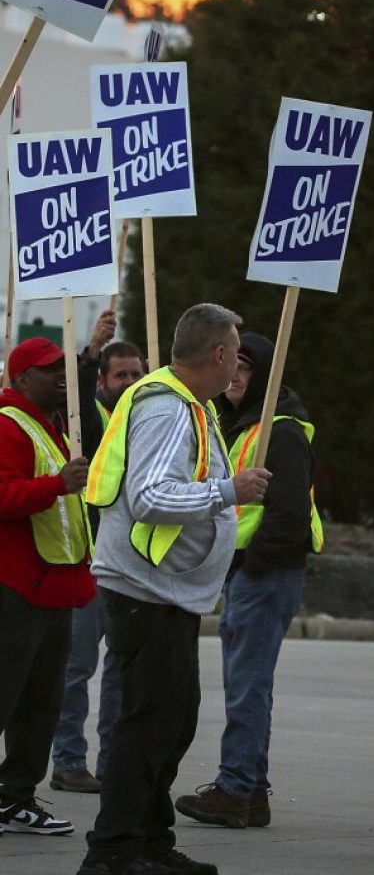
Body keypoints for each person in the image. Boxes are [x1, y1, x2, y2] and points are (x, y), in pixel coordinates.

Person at [76, 304, 271, 875]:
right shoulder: (166, 407)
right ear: (217, 354)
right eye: (234, 352)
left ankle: (149, 842)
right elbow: (151, 497)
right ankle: (115, 850)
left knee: (171, 721)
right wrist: (229, 491)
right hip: (145, 592)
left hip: (165, 592)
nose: (237, 364)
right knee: (147, 726)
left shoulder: (190, 404)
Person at [174, 331, 322, 830]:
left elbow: (289, 516)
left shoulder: (278, 431)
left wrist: (253, 565)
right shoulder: (241, 425)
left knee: (247, 688)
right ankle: (249, 790)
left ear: (263, 376)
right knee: (248, 685)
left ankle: (236, 789)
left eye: (246, 368)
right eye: (230, 365)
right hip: (251, 573)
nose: (234, 374)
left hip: (265, 574)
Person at [0, 336, 92, 836]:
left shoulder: (55, 425)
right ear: (19, 379)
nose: (62, 375)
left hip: (53, 589)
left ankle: (14, 799)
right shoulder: (8, 425)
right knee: (7, 698)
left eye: (65, 367)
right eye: (48, 368)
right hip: (15, 589)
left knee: (41, 705)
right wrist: (57, 483)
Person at [51, 323, 146, 794]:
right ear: (105, 382)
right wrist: (90, 352)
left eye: (137, 374)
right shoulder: (92, 418)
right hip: (91, 561)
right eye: (121, 375)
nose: (130, 382)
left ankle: (112, 763)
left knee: (121, 673)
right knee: (78, 667)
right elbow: (82, 414)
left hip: (130, 564)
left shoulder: (151, 419)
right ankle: (68, 760)